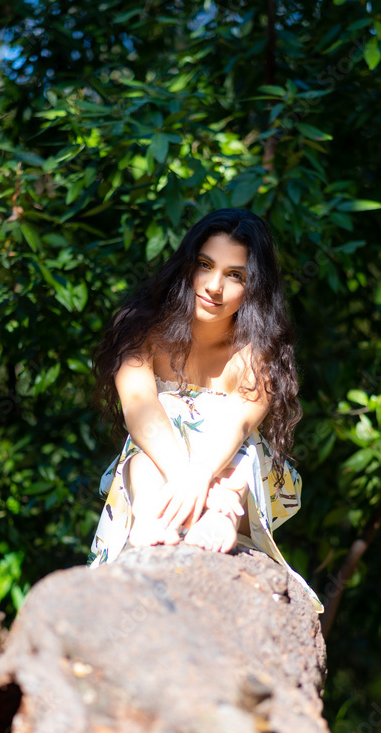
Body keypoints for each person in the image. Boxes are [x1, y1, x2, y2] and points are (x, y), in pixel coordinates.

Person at [87, 208, 323, 613]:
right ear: (186, 266)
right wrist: (192, 482)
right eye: (205, 265)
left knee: (238, 443)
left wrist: (204, 479)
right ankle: (153, 516)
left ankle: (220, 520)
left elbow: (238, 423)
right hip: (163, 475)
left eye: (236, 275)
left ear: (253, 289)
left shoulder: (256, 352)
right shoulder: (140, 329)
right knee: (156, 426)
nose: (214, 286)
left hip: (233, 480)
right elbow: (139, 406)